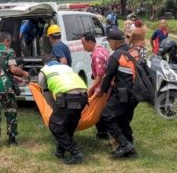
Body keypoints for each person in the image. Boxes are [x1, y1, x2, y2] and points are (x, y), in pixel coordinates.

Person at [96, 29, 140, 158]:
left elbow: (108, 76)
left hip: (122, 94)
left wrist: (101, 91)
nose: (109, 44)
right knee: (123, 119)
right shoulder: (134, 52)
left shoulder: (116, 56)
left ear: (114, 42)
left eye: (109, 41)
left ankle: (125, 145)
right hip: (136, 94)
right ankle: (130, 150)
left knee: (106, 116)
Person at [38, 54, 88, 164]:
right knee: (69, 123)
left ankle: (76, 152)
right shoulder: (67, 67)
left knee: (55, 125)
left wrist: (55, 109)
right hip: (83, 96)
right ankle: (60, 151)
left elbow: (47, 95)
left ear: (44, 63)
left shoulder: (44, 71)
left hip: (69, 98)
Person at [0, 31, 29, 145]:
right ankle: (12, 138)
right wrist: (24, 73)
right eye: (9, 42)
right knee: (11, 111)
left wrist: (13, 77)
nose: (9, 44)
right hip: (4, 86)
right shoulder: (9, 51)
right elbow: (13, 69)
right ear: (6, 41)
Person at [81, 32, 110, 140]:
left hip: (101, 89)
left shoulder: (97, 55)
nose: (83, 47)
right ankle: (104, 132)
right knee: (102, 110)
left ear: (90, 42)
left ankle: (104, 132)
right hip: (106, 87)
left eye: (84, 44)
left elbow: (100, 75)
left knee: (97, 110)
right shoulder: (102, 49)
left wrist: (91, 88)